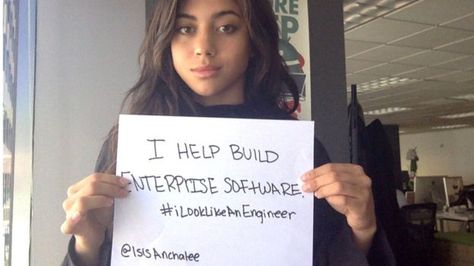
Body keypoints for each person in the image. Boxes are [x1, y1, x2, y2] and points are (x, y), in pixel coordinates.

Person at [61, 0, 395, 265]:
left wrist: (362, 229)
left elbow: (324, 256)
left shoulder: (295, 151)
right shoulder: (130, 147)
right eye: (185, 28)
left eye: (226, 27)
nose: (204, 46)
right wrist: (88, 242)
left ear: (253, 40)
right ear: (166, 41)